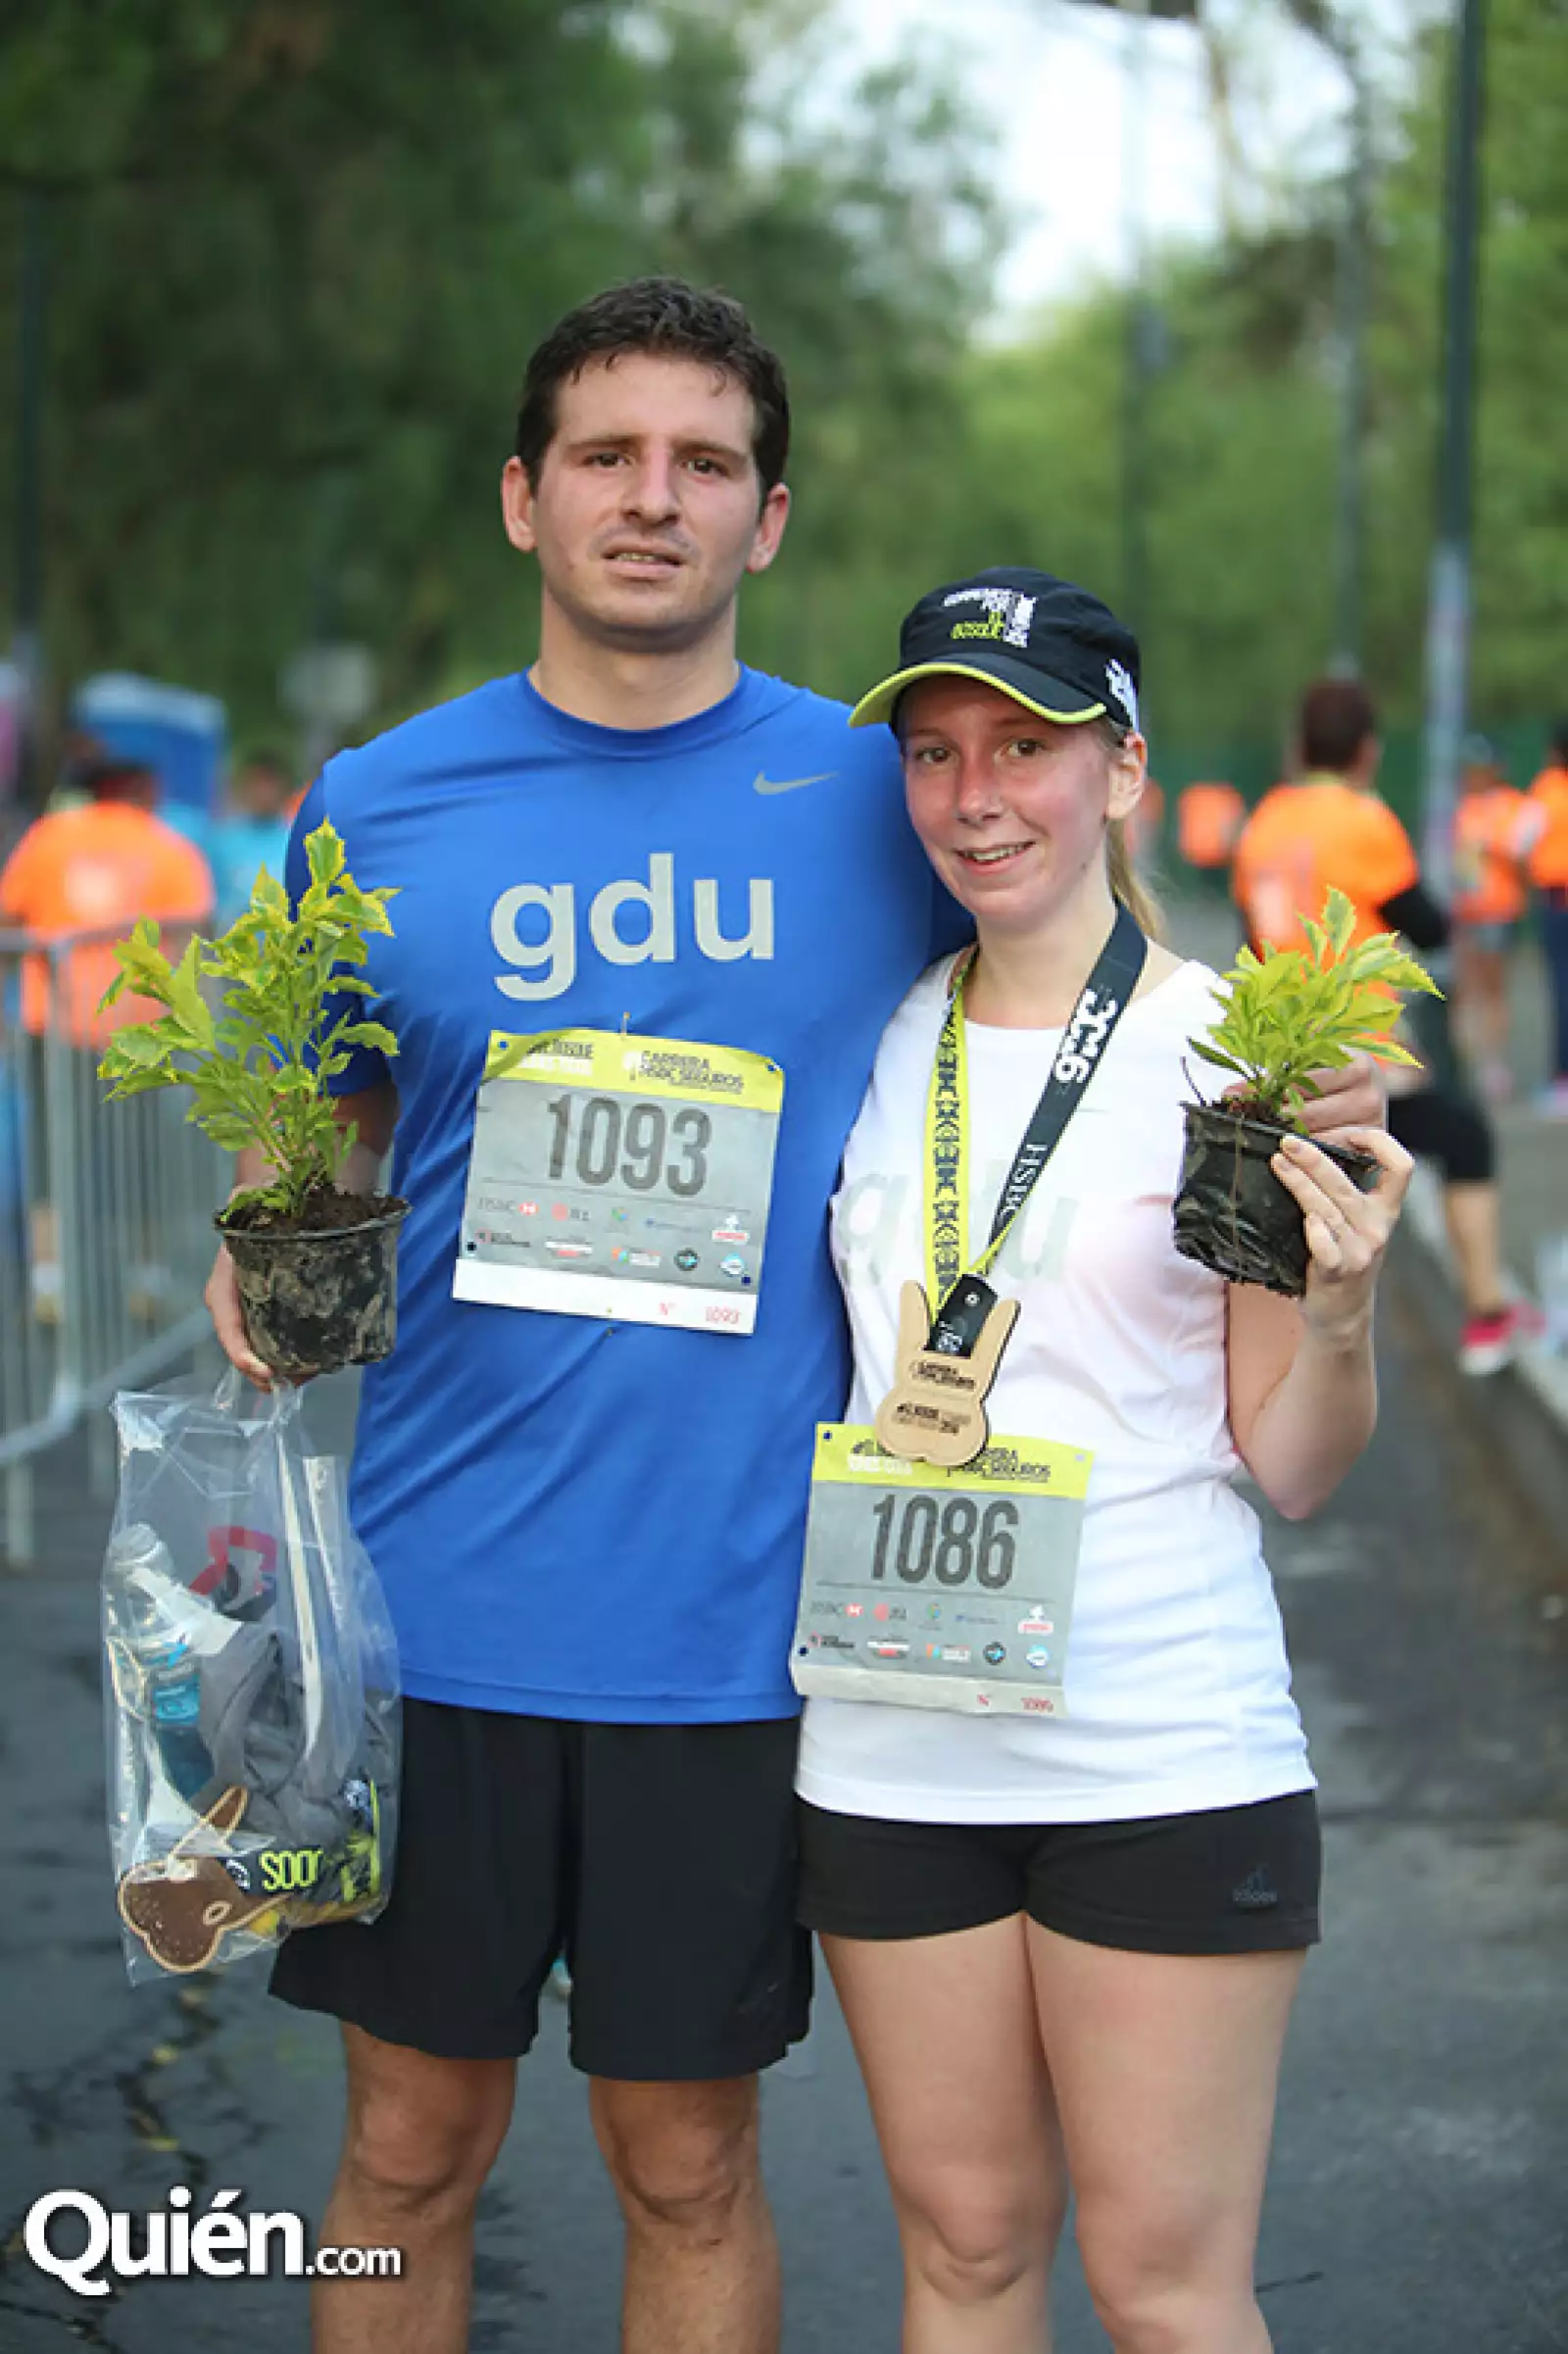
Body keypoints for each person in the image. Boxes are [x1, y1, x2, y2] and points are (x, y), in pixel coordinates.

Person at [203, 281, 1381, 2354]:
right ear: (521, 496)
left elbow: (1075, 971)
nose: (650, 499)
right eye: (602, 456)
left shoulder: (873, 792)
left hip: (754, 1635)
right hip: (441, 1603)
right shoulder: (378, 806)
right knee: (399, 2158)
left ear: (764, 518)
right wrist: (262, 1236)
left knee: (687, 2165)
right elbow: (323, 1132)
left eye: (704, 464)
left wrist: (1283, 1084)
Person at [793, 567, 1412, 2354]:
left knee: (1163, 2286)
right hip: (896, 1733)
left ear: (1126, 770)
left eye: (1026, 747)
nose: (975, 792)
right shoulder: (877, 1039)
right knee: (967, 2253)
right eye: (934, 752)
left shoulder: (1231, 1055)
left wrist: (1353, 1313)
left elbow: (1291, 1462)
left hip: (1155, 1733)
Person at [1233, 679, 1538, 1377]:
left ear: (1299, 745)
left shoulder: (1265, 824)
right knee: (1463, 1135)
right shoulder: (1364, 821)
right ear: (1367, 752)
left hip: (1281, 1055)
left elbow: (1252, 934)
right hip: (1356, 1056)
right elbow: (1425, 922)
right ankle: (1487, 1312)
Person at [0, 757, 213, 1317]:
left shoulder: (48, 839)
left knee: (53, 1151)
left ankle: (50, 1282)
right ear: (140, 789)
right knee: (140, 1151)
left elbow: (8, 920)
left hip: (57, 1021)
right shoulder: (167, 846)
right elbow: (196, 927)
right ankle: (145, 1277)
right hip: (139, 1028)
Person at [1449, 734, 1545, 1103]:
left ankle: (1493, 1064)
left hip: (1497, 908)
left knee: (1492, 989)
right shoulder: (1465, 808)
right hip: (1466, 909)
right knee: (1466, 989)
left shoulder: (1512, 807)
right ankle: (1469, 1062)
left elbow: (1522, 857)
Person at [1526, 718, 1568, 1117]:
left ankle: (1563, 1078)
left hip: (1559, 900)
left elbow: (1520, 839)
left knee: (1562, 988)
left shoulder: (1549, 789)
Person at [209, 748, 298, 928]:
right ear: (244, 788)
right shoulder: (222, 842)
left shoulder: (298, 841)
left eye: (270, 784)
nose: (264, 793)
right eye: (257, 784)